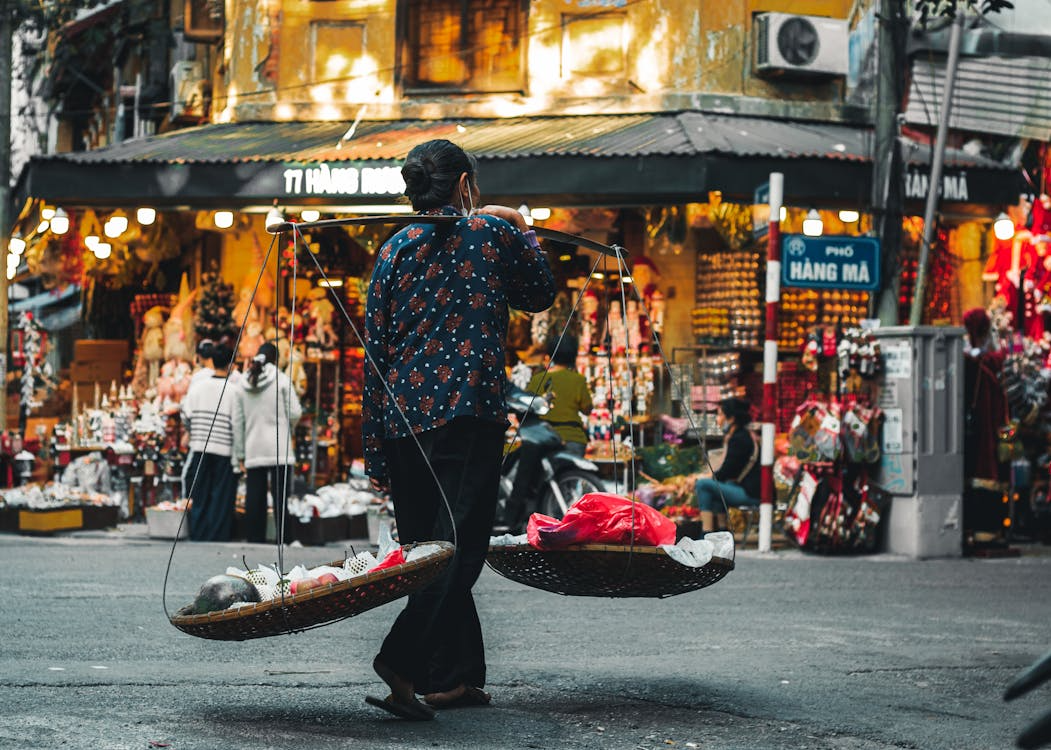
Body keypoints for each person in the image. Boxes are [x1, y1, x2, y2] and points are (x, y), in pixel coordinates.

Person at [362, 138, 555, 719]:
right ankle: (402, 661)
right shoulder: (492, 237)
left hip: (403, 423)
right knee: (457, 552)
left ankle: (453, 678)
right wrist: (521, 225)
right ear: (466, 185)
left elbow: (375, 354)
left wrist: (374, 449)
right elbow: (540, 292)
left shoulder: (393, 249)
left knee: (428, 550)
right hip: (467, 415)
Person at [504, 335, 593, 532]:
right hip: (573, 439)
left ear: (548, 356)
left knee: (537, 484)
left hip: (542, 440)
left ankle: (533, 521)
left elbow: (525, 406)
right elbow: (587, 408)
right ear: (573, 357)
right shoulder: (578, 380)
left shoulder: (538, 379)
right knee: (570, 489)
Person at [232, 342, 302, 544]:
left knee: (254, 495)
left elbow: (238, 422)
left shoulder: (242, 384)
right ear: (275, 359)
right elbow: (295, 412)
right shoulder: (281, 379)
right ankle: (284, 538)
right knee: (280, 496)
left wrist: (240, 453)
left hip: (253, 445)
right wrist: (289, 428)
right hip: (279, 445)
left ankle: (254, 537)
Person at [180, 337, 238, 541]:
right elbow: (237, 423)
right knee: (221, 495)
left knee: (201, 491)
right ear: (231, 364)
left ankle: (198, 531)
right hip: (224, 449)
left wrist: (194, 430)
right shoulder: (234, 392)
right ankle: (217, 534)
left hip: (200, 446)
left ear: (212, 361)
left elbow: (185, 415)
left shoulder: (198, 387)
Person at [694, 396, 760, 533]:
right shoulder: (741, 436)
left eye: (720, 415)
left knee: (703, 485)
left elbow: (727, 471)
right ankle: (722, 531)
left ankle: (706, 533)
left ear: (731, 418)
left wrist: (706, 477)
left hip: (752, 494)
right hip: (749, 490)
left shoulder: (739, 439)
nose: (718, 420)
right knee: (718, 489)